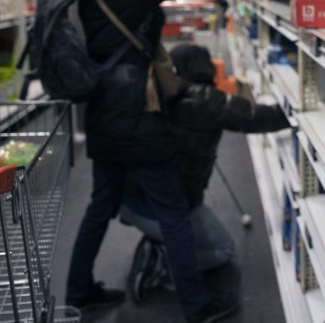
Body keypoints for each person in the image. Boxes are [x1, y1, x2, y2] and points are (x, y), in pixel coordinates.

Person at [59, 0, 249, 323]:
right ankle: (197, 307)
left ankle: (77, 292)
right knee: (173, 210)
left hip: (103, 107)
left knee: (100, 205)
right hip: (135, 112)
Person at [119, 43, 290, 301]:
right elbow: (254, 116)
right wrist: (294, 112)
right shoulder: (206, 99)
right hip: (165, 207)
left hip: (130, 199)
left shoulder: (157, 93)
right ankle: (164, 260)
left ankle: (157, 242)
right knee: (222, 249)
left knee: (192, 226)